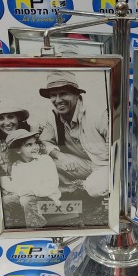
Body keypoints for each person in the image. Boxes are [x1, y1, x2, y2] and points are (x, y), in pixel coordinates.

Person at [37, 71, 109, 199]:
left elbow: (117, 146)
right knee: (42, 163)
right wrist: (60, 156)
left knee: (94, 188)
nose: (58, 100)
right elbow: (44, 142)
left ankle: (83, 189)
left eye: (63, 94)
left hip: (105, 165)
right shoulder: (53, 116)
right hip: (80, 164)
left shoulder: (97, 113)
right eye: (53, 95)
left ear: (76, 94)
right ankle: (75, 188)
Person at [1, 129, 61, 228]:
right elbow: (19, 186)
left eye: (35, 143)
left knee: (26, 200)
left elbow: (51, 186)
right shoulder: (16, 166)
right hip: (25, 196)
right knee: (5, 200)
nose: (35, 147)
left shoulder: (45, 160)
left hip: (48, 197)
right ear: (18, 150)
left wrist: (30, 191)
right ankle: (10, 224)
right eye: (29, 145)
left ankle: (37, 227)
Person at [0, 105, 31, 227]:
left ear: (18, 118)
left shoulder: (30, 137)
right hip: (10, 189)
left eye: (10, 117)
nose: (7, 122)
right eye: (1, 118)